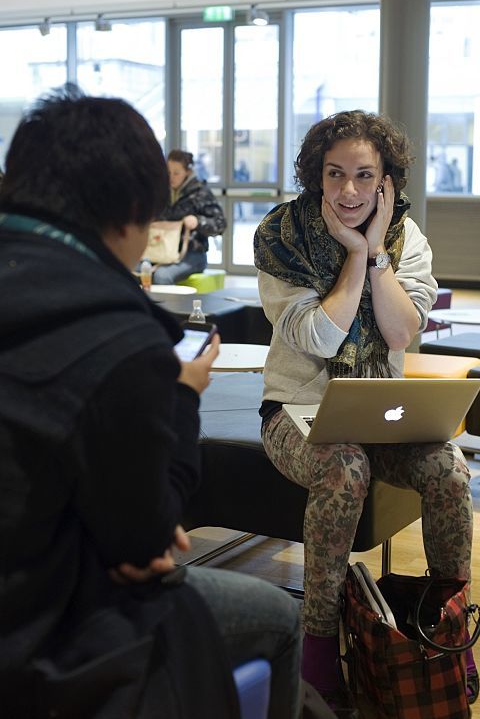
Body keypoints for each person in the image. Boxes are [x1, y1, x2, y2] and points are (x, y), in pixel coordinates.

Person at [0, 85, 302, 719]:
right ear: (135, 212)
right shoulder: (119, 336)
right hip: (38, 639)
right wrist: (183, 398)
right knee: (278, 617)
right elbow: (144, 545)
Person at [254, 110, 478, 714]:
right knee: (345, 465)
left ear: (386, 182)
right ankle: (319, 653)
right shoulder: (283, 236)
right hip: (295, 413)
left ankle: (447, 633)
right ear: (316, 177)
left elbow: (404, 330)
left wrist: (377, 253)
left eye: (363, 175)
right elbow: (320, 338)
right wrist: (354, 254)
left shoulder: (408, 240)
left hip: (382, 413)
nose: (348, 191)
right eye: (334, 174)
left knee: (451, 471)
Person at [151, 149, 226, 284]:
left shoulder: (200, 192)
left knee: (161, 276)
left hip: (193, 255)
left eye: (176, 173)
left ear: (187, 172)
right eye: (168, 173)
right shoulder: (162, 193)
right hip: (161, 251)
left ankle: (165, 306)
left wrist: (198, 222)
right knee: (134, 270)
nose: (171, 177)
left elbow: (220, 224)